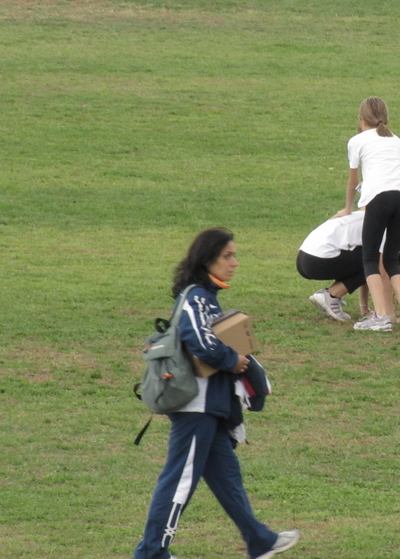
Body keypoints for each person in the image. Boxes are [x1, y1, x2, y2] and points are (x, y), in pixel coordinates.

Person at [134, 228, 299, 559]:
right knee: (179, 481)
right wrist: (232, 359)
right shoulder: (195, 296)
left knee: (227, 479)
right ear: (207, 258)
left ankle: (260, 540)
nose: (235, 262)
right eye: (228, 256)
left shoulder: (207, 297)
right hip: (196, 408)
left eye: (235, 255)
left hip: (210, 407)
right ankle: (152, 552)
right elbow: (197, 340)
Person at [332, 96, 400, 333]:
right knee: (391, 259)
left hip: (379, 197)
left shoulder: (357, 140)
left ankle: (381, 317)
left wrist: (348, 208)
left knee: (370, 258)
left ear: (361, 119)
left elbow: (353, 180)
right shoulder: (396, 139)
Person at [296, 210, 400, 321]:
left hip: (303, 258)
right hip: (317, 261)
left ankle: (331, 295)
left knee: (370, 259)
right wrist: (389, 315)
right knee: (377, 260)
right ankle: (331, 295)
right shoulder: (385, 229)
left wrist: (364, 308)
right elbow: (381, 272)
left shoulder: (370, 214)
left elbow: (368, 272)